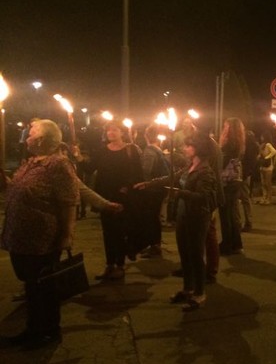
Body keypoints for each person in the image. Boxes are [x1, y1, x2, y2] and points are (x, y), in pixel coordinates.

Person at [0, 119, 79, 349]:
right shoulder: (30, 163)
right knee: (32, 287)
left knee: (43, 288)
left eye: (31, 134)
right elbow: (16, 189)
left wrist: (67, 234)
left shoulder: (58, 166)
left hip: (42, 240)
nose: (26, 138)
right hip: (20, 237)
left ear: (43, 140)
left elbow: (69, 202)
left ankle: (47, 332)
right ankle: (34, 328)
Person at [136, 131, 217, 311]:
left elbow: (203, 197)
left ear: (198, 149)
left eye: (189, 145)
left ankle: (200, 292)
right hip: (183, 215)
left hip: (197, 216)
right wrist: (149, 184)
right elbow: (170, 178)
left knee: (196, 255)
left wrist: (180, 193)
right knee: (185, 254)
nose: (185, 148)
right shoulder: (189, 166)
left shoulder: (205, 172)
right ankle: (188, 288)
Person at [93, 121, 144, 280]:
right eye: (108, 130)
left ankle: (120, 265)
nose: (111, 133)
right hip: (104, 196)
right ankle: (109, 264)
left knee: (120, 231)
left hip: (123, 197)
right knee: (107, 232)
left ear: (122, 132)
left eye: (114, 130)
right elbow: (90, 168)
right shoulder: (102, 151)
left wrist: (126, 188)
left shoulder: (130, 150)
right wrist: (77, 157)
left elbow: (137, 174)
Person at [139, 124, 170, 258]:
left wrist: (142, 183)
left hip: (152, 189)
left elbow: (146, 171)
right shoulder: (159, 150)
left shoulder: (150, 151)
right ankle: (154, 244)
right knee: (154, 217)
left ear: (146, 136)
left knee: (151, 217)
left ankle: (154, 246)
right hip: (159, 188)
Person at [218, 117, 246, 255]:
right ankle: (236, 243)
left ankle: (227, 244)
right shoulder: (239, 144)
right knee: (233, 213)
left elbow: (221, 163)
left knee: (226, 214)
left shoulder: (228, 145)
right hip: (235, 180)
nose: (224, 128)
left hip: (227, 182)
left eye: (226, 126)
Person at [257, 132, 276, 205]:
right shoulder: (262, 145)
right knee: (263, 183)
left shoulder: (268, 144)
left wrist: (266, 157)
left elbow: (274, 152)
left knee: (267, 183)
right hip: (262, 165)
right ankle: (264, 197)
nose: (261, 138)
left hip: (268, 166)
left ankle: (269, 198)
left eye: (262, 136)